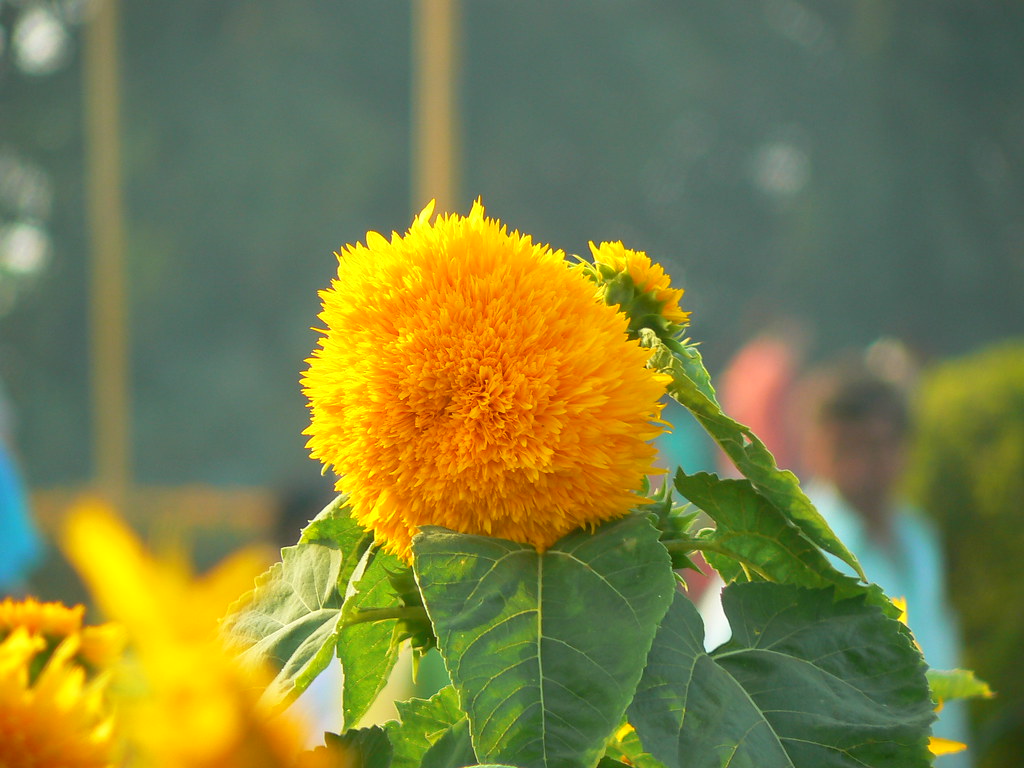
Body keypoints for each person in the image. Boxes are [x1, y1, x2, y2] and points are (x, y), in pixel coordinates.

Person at [699, 356, 972, 765]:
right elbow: (717, 662)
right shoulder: (790, 545)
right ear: (815, 446)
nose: (863, 464)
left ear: (904, 448)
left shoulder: (919, 538)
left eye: (878, 444)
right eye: (847, 447)